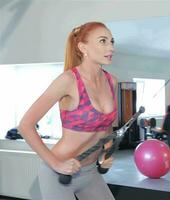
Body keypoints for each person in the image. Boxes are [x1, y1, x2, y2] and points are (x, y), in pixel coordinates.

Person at [18, 22, 117, 200]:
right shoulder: (69, 80)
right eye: (103, 41)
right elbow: (25, 125)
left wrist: (106, 152)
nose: (111, 47)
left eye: (112, 41)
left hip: (90, 172)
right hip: (58, 174)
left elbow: (106, 126)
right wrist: (56, 164)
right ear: (82, 47)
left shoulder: (111, 81)